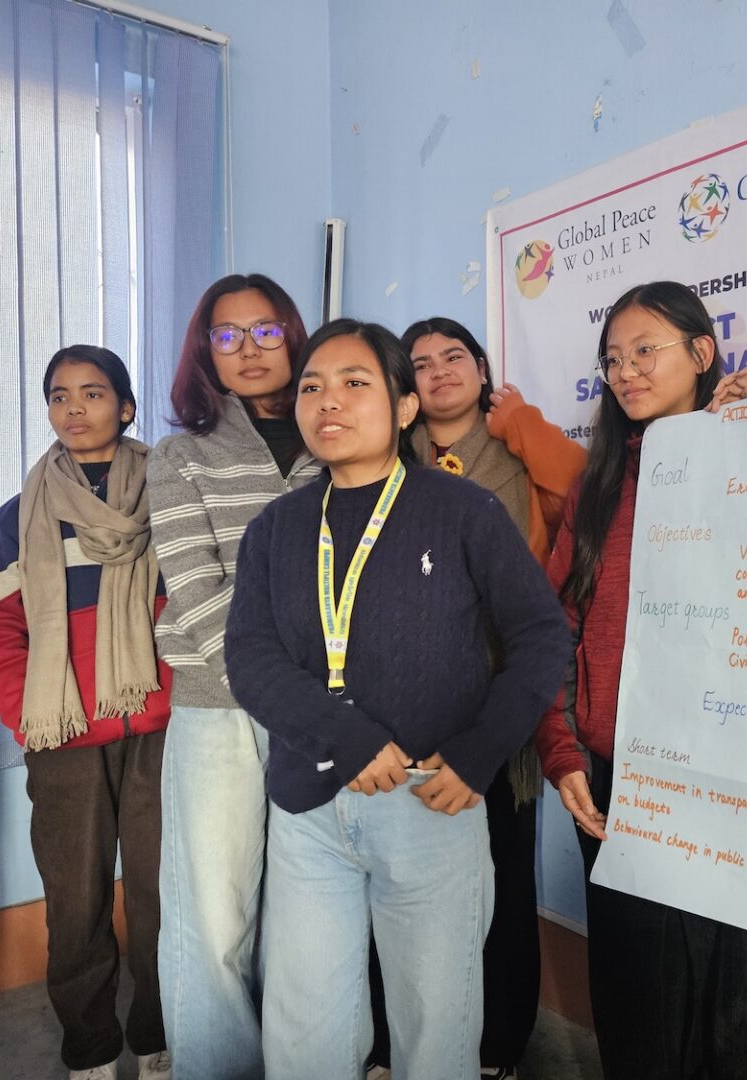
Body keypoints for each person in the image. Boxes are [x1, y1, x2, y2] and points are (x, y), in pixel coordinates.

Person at [223, 318, 571, 1080]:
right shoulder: (276, 529)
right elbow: (248, 657)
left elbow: (542, 638)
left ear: (404, 407)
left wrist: (480, 755)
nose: (329, 402)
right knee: (305, 1025)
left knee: (436, 1026)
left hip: (432, 802)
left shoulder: (461, 510)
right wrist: (343, 739)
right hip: (311, 806)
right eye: (312, 386)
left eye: (355, 383)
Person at [535, 280, 747, 1080]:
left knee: (735, 1002)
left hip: (733, 779)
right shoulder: (600, 484)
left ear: (702, 354)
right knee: (638, 1002)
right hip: (618, 780)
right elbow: (553, 628)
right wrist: (562, 753)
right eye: (613, 358)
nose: (625, 372)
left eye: (646, 351)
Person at [361, 317, 586, 1080]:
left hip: (501, 710)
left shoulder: (517, 461)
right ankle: (393, 1045)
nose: (438, 371)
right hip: (402, 707)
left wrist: (520, 421)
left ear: (482, 368)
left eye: (454, 356)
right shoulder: (387, 460)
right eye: (419, 363)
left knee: (503, 884)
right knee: (396, 884)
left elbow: (586, 486)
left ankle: (496, 1052)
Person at [0, 347, 172, 1080]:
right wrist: (32, 715)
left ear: (127, 406)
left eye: (93, 392)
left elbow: (199, 606)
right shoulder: (14, 520)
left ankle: (157, 1038)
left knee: (161, 895)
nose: (75, 408)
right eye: (59, 396)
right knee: (75, 903)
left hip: (161, 735)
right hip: (63, 738)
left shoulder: (170, 498)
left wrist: (169, 695)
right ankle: (88, 1049)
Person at [146, 272, 318, 1078]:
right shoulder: (182, 454)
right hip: (220, 707)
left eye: (265, 331)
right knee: (212, 917)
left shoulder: (340, 440)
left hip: (330, 711)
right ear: (203, 351)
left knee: (309, 912)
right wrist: (275, 691)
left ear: (294, 335)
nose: (247, 350)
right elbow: (195, 581)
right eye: (226, 335)